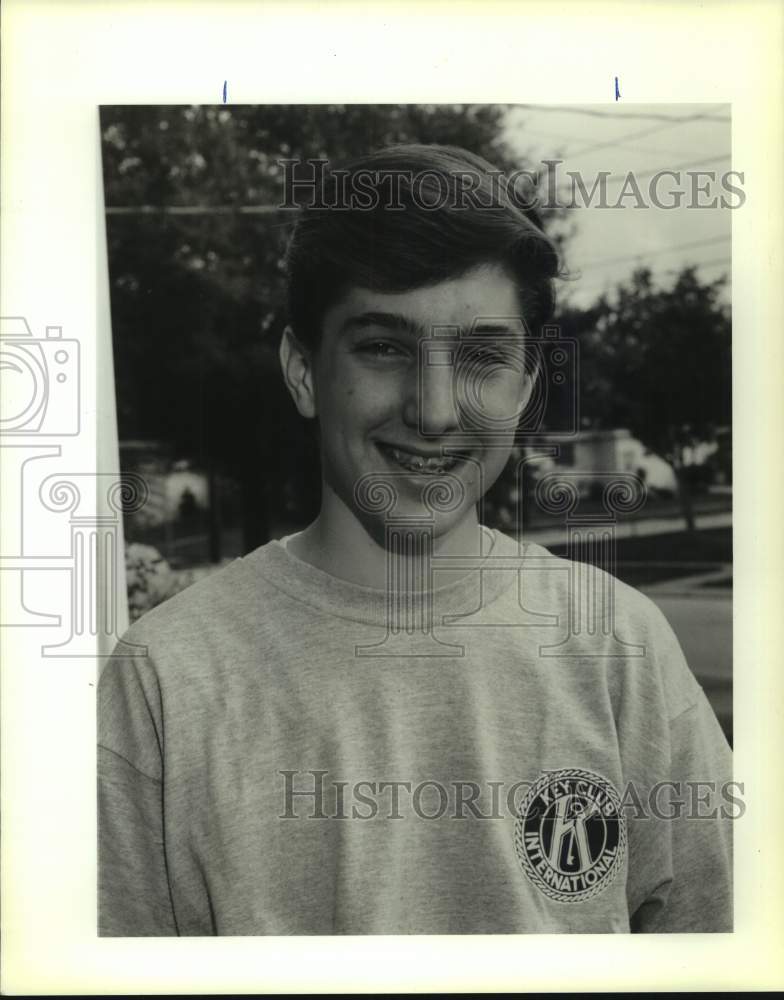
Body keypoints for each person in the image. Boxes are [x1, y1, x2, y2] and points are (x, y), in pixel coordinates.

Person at [98, 144, 733, 935]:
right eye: (385, 347)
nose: (435, 409)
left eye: (482, 356)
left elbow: (721, 954)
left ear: (528, 383)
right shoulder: (166, 680)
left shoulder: (619, 648)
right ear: (303, 370)